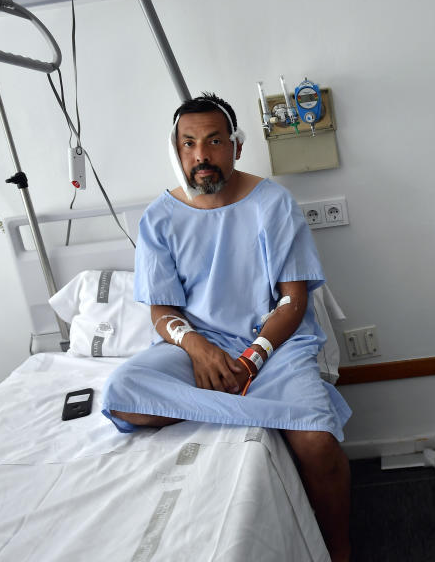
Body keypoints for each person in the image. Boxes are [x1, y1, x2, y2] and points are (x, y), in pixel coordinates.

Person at [101, 92, 352, 561]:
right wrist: (198, 349)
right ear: (177, 152)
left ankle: (340, 550)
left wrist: (252, 357)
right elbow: (162, 313)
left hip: (273, 346)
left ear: (235, 146)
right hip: (198, 349)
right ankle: (254, 407)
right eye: (189, 144)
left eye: (214, 141)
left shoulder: (272, 203)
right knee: (123, 391)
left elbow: (293, 301)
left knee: (317, 444)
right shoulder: (159, 219)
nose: (201, 155)